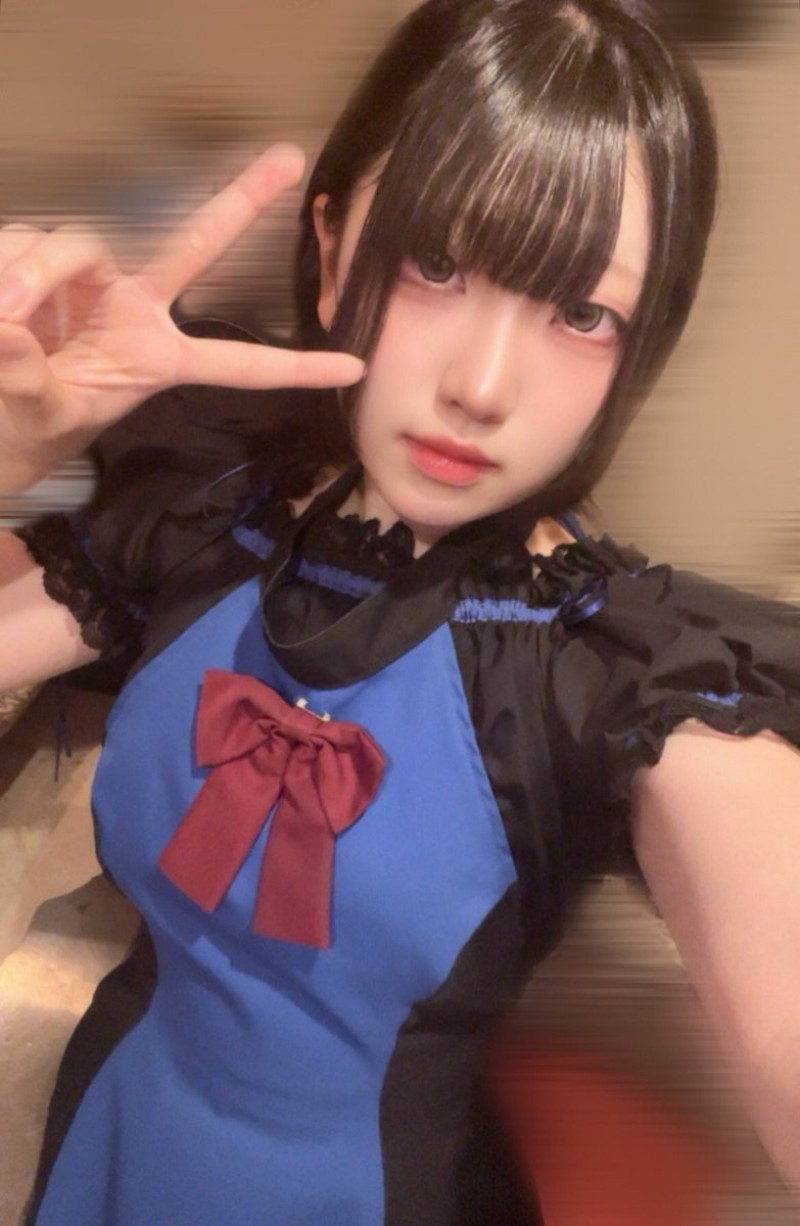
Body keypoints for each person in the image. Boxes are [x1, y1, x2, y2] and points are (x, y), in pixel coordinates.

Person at [0, 0, 798, 1221]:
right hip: (108, 1136)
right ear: (330, 251)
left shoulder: (611, 673)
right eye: (434, 263)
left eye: (580, 312)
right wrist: (11, 460)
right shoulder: (211, 513)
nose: (481, 385)